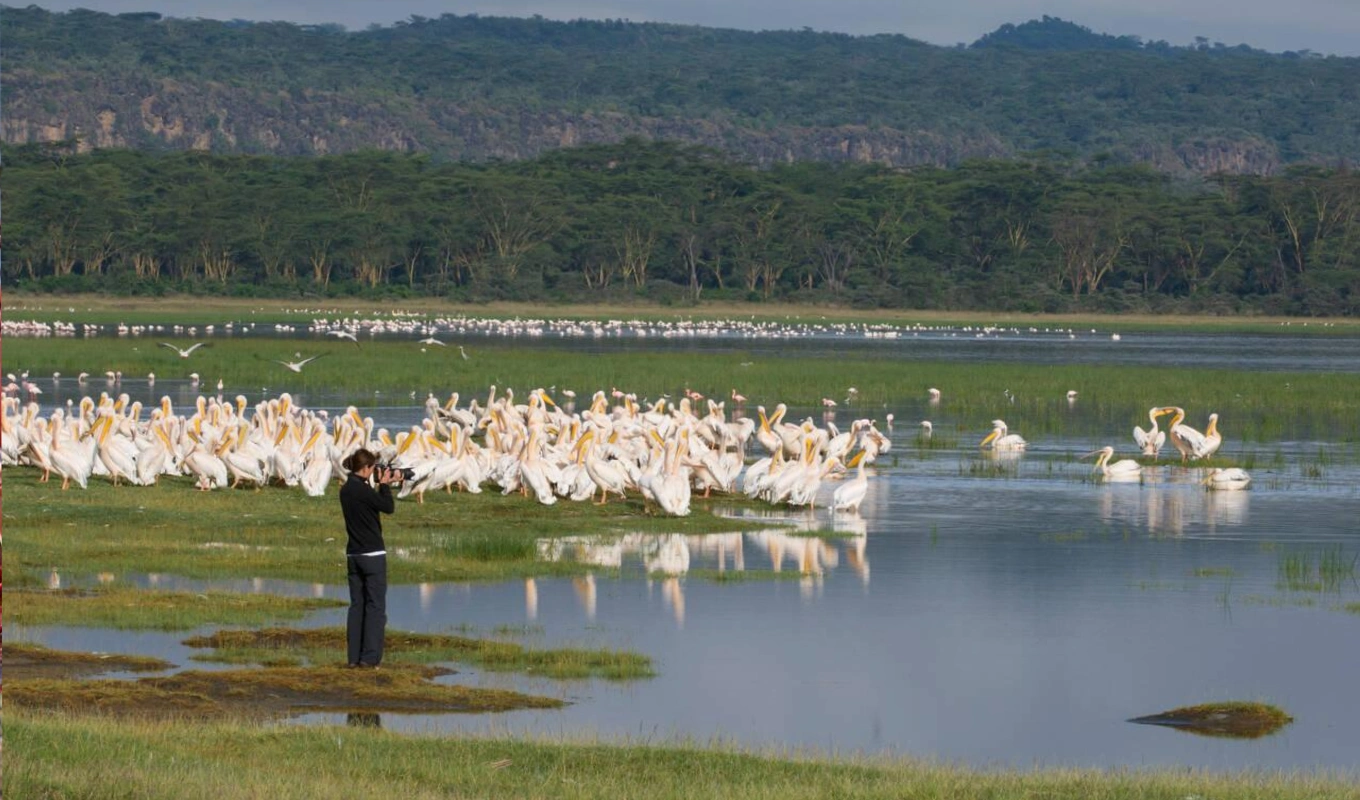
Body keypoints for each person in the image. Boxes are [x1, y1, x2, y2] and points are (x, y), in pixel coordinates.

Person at [339, 448, 400, 668]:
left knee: (357, 606)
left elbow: (366, 502)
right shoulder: (363, 491)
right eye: (373, 468)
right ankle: (370, 658)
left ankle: (354, 658)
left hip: (353, 554)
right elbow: (388, 507)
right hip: (372, 555)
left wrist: (376, 484)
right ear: (366, 468)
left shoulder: (346, 490)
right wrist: (384, 484)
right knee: (375, 607)